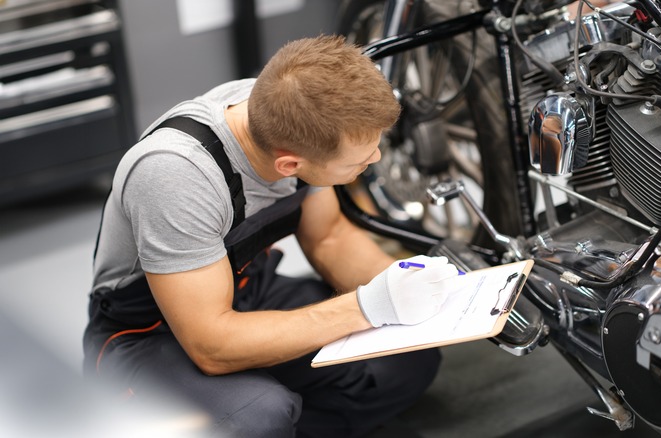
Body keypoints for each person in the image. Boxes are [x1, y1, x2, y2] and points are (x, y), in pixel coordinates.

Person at [83, 35, 460, 437]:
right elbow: (211, 345)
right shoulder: (175, 176)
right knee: (260, 416)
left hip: (246, 288)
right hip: (148, 333)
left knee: (404, 363)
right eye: (360, 161)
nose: (376, 159)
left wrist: (430, 298)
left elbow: (329, 237)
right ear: (289, 164)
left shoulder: (292, 110)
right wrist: (368, 306)